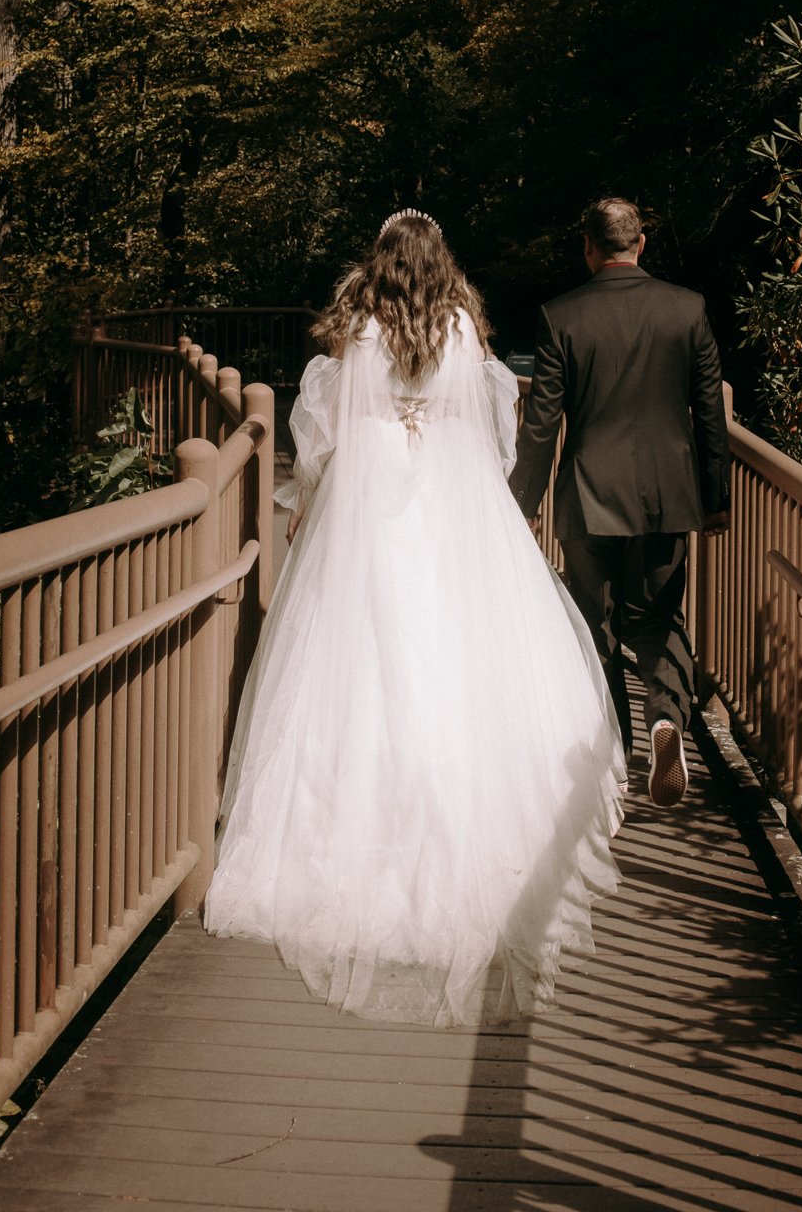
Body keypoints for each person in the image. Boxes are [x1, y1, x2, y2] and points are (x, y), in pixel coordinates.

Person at [202, 210, 625, 1028]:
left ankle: (353, 835)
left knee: (360, 660)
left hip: (370, 515)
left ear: (383, 257)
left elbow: (317, 437)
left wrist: (311, 497)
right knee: (455, 648)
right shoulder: (464, 328)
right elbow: (496, 433)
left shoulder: (360, 327)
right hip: (448, 501)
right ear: (441, 261)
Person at [510, 197, 731, 809]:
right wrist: (715, 498)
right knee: (658, 619)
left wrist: (520, 504)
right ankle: (666, 717)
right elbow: (710, 414)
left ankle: (612, 758)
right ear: (642, 242)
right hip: (666, 496)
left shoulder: (562, 316)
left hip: (587, 498)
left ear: (588, 246)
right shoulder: (687, 310)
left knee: (592, 624)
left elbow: (541, 426)